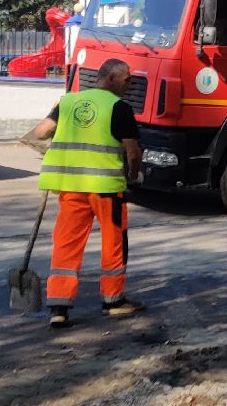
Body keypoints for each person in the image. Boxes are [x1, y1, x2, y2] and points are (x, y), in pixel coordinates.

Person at [27, 57, 146, 329]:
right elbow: (132, 151)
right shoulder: (119, 107)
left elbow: (39, 132)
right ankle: (113, 302)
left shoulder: (67, 102)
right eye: (127, 79)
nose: (130, 85)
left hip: (71, 188)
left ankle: (59, 307)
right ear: (111, 77)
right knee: (113, 243)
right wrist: (134, 174)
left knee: (66, 245)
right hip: (105, 191)